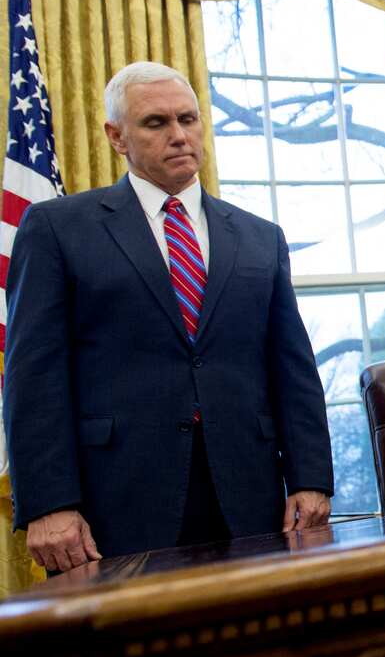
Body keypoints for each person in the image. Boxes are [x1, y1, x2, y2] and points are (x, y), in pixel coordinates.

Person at [4, 62, 333, 570]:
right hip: (114, 502)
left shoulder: (260, 237)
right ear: (117, 137)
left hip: (249, 496)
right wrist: (50, 503)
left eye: (188, 119)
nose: (178, 135)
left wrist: (310, 478)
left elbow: (293, 368)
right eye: (156, 123)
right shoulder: (57, 227)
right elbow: (33, 375)